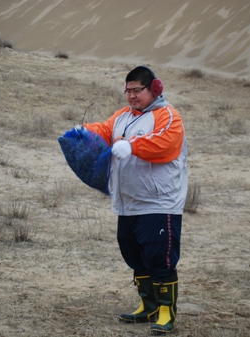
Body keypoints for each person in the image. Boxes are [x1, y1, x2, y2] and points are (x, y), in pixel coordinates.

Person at [80, 66, 187, 335]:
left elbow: (165, 143)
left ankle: (165, 311)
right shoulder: (122, 117)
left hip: (158, 202)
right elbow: (103, 130)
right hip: (127, 203)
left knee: (159, 259)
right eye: (128, 91)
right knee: (134, 255)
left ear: (154, 89)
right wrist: (81, 132)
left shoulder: (168, 116)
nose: (131, 96)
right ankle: (148, 305)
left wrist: (132, 146)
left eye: (136, 90)